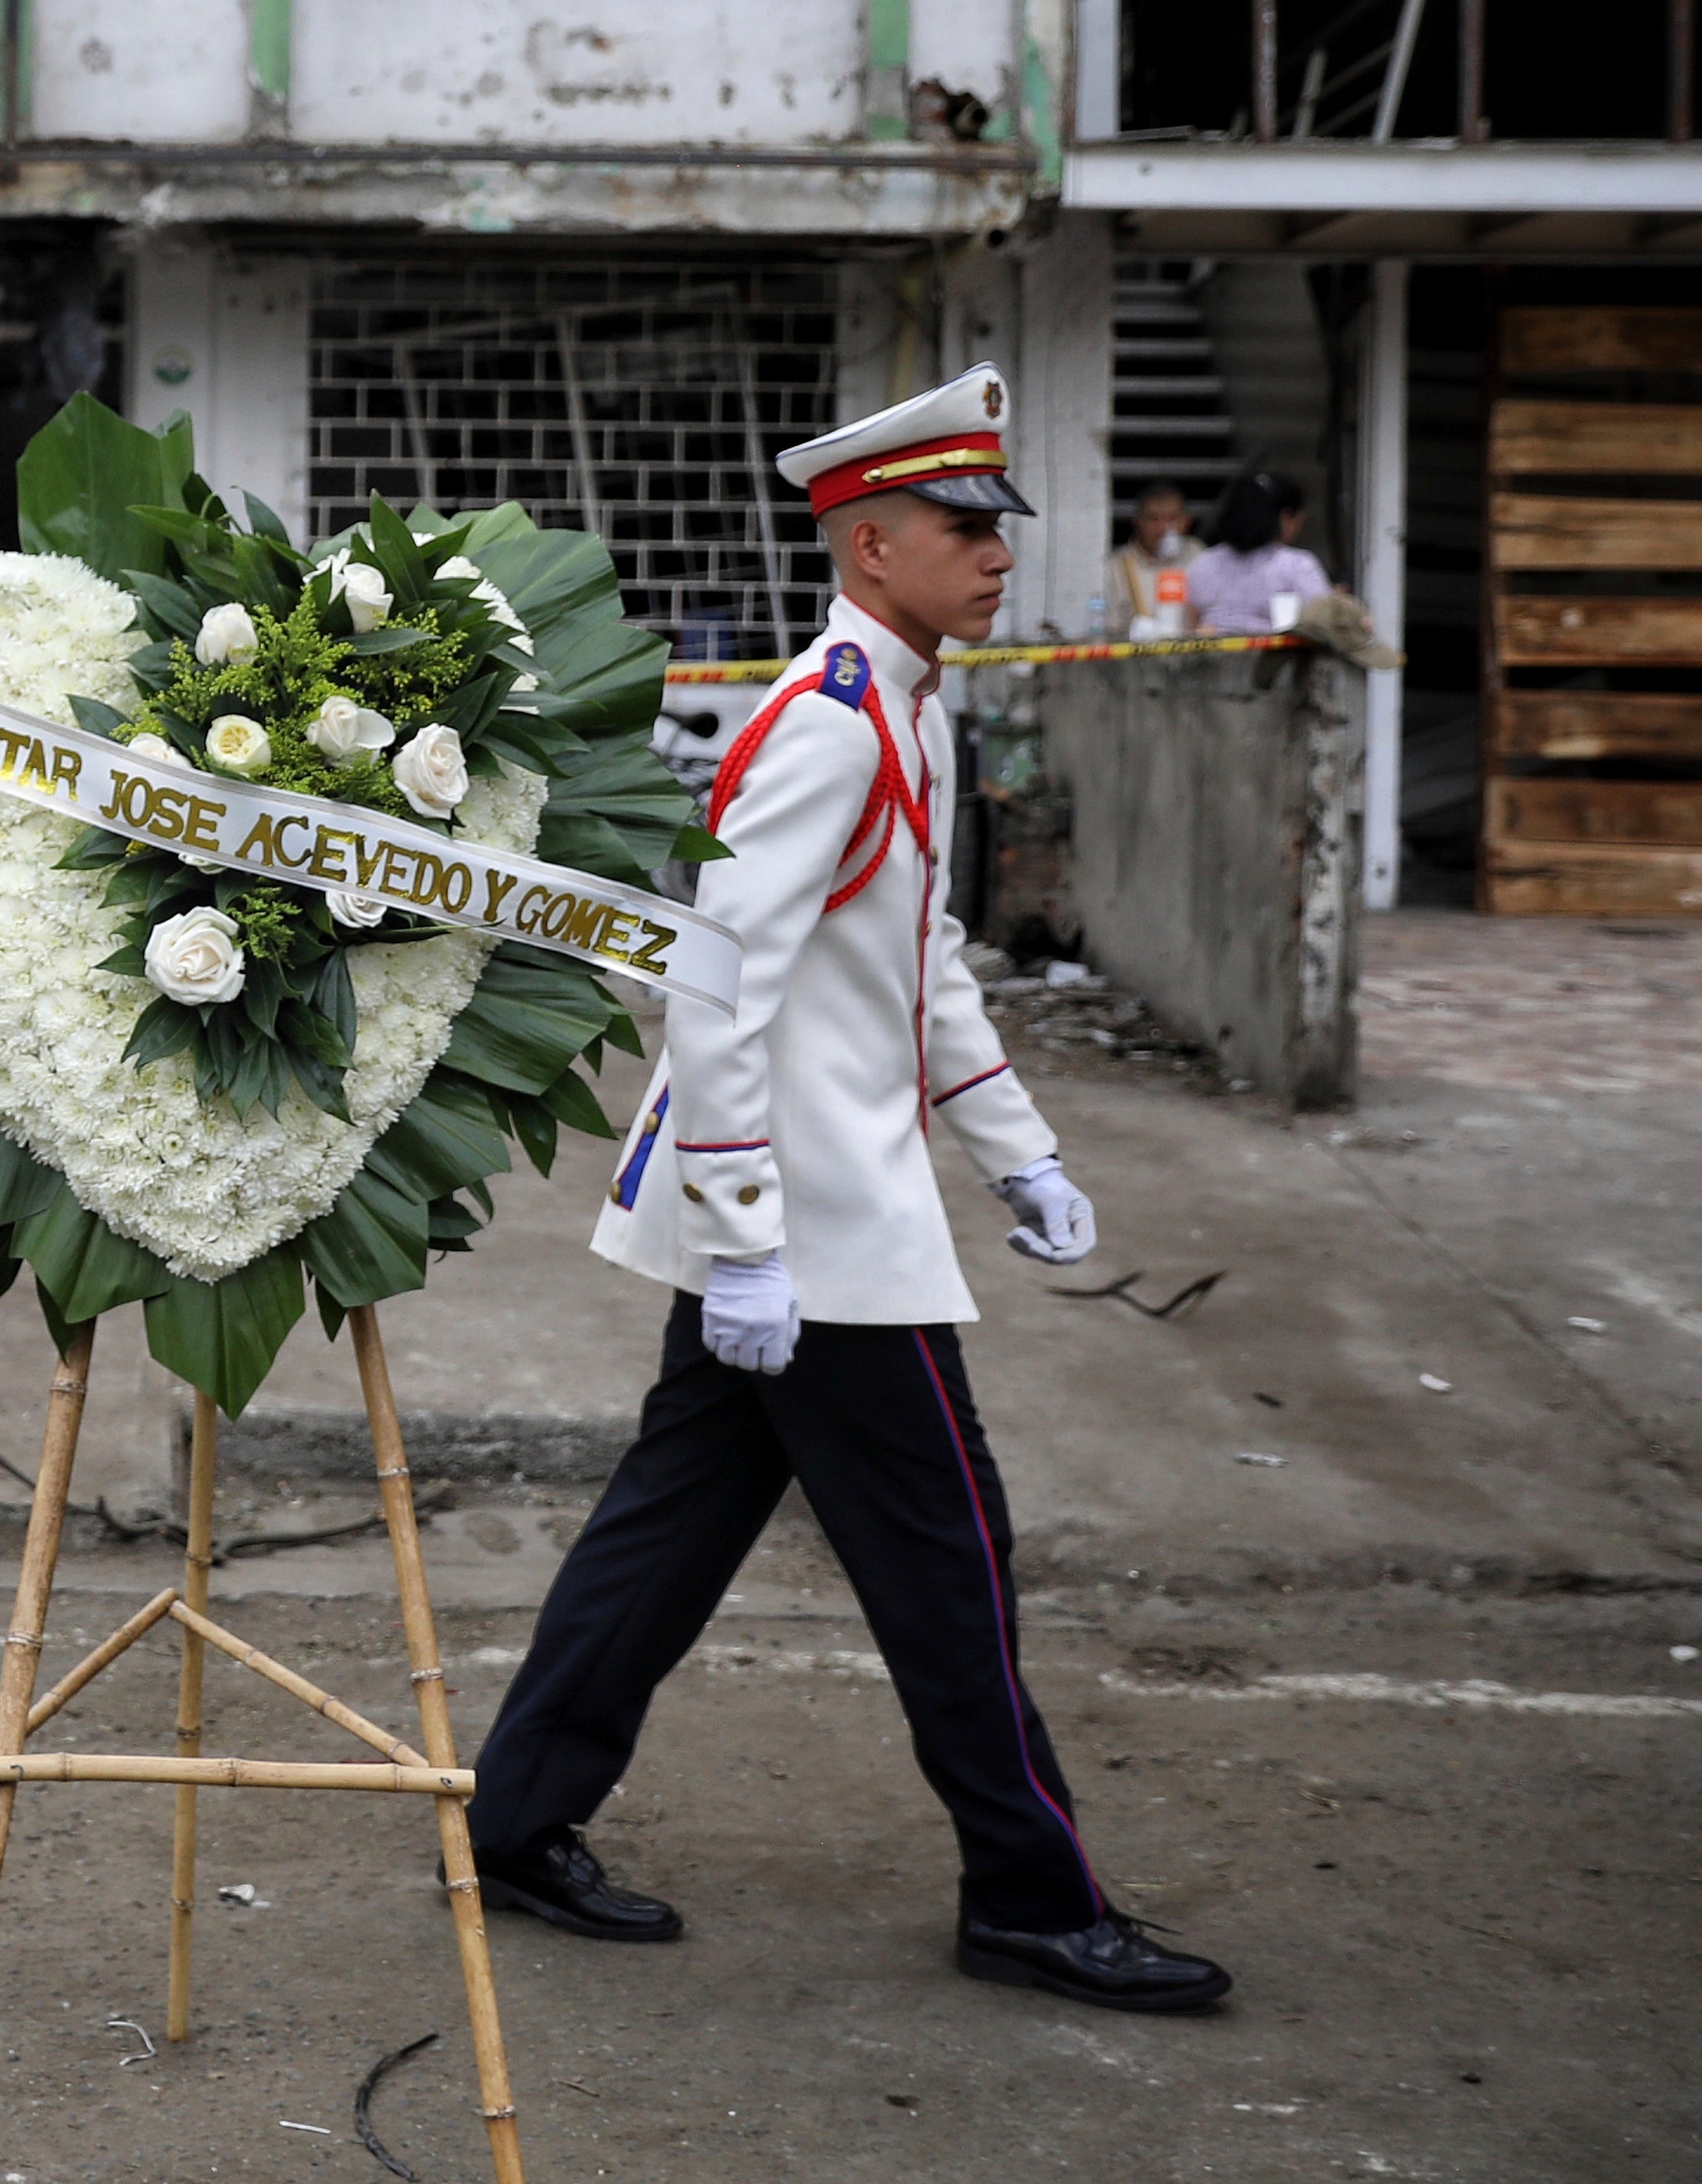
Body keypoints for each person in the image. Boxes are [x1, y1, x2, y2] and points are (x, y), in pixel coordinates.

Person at [463, 362, 1232, 2017]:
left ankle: (514, 1820)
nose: (996, 553)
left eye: (995, 525)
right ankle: (1028, 1894)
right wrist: (746, 1240)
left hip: (808, 1217)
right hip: (812, 1234)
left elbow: (914, 955)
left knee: (666, 1531)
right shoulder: (824, 724)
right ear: (869, 544)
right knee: (950, 1557)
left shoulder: (901, 702)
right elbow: (715, 982)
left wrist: (1014, 1142)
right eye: (961, 527)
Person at [1185, 473, 1329, 638]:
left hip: (1215, 652)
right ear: (1284, 517)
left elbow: (1190, 621)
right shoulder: (1297, 566)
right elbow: (1324, 622)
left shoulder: (1204, 562)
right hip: (1274, 654)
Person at [1106, 483, 1203, 640]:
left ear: (1186, 522)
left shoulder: (1198, 555)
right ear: (1137, 521)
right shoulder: (1116, 566)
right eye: (1153, 519)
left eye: (1172, 519)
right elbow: (1109, 629)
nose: (1162, 529)